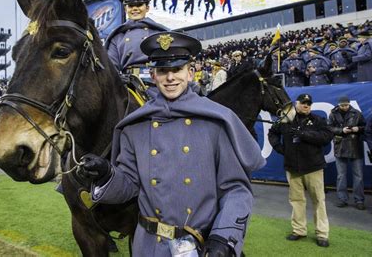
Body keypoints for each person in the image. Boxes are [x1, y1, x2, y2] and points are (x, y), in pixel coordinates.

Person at [79, 31, 266, 256]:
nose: (170, 78)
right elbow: (129, 184)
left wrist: (223, 238)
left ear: (190, 73)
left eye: (177, 69)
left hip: (200, 246)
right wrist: (106, 174)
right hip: (148, 247)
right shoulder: (135, 126)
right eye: (163, 71)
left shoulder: (215, 122)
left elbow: (236, 189)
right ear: (154, 75)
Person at [268, 93, 334, 248]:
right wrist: (279, 148)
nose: (306, 106)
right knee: (297, 201)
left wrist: (303, 134)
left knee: (318, 200)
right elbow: (272, 132)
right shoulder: (286, 119)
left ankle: (322, 234)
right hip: (293, 167)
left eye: (309, 103)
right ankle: (299, 230)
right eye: (303, 103)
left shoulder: (318, 120)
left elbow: (326, 136)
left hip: (313, 167)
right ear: (296, 104)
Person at [105, 0, 168, 73]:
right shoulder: (117, 37)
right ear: (125, 9)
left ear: (147, 8)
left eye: (139, 5)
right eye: (130, 5)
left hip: (157, 82)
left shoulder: (160, 33)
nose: (135, 9)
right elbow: (111, 69)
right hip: (126, 84)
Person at [327, 96, 366, 209]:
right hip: (340, 147)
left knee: (358, 176)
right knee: (341, 176)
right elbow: (329, 128)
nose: (344, 107)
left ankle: (359, 200)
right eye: (342, 105)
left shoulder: (357, 113)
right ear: (338, 105)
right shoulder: (333, 114)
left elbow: (365, 126)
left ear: (349, 104)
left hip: (355, 146)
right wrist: (341, 130)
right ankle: (342, 199)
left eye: (346, 105)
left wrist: (357, 129)